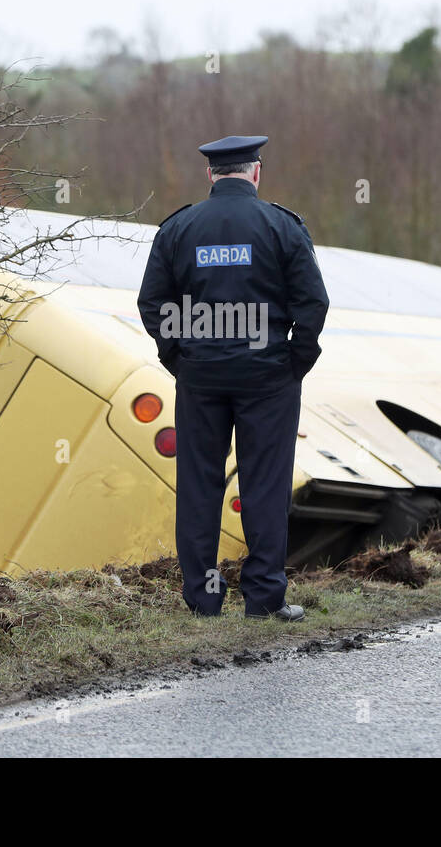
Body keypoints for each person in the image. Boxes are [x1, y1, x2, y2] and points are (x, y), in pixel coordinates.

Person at [137, 135, 330, 620]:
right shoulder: (282, 227)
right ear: (256, 172)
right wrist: (295, 360)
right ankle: (264, 597)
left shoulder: (179, 228)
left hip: (200, 375)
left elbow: (152, 304)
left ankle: (204, 598)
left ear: (211, 175)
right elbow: (313, 302)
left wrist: (177, 358)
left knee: (199, 483)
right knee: (265, 482)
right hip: (268, 374)